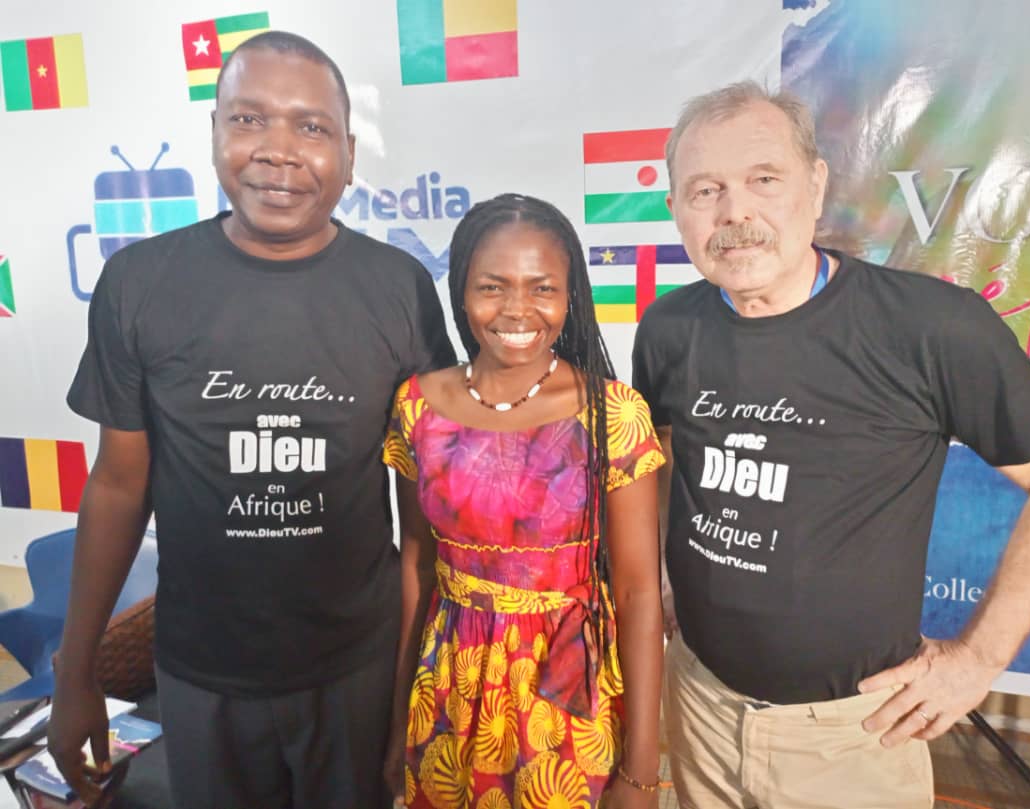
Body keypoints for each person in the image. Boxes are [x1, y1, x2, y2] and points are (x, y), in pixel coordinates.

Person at [632, 80, 1030, 809]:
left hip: (854, 736)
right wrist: (662, 570)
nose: (734, 212)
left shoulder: (930, 327)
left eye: (763, 180)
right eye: (705, 189)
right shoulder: (668, 328)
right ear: (676, 208)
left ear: (815, 187)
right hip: (700, 706)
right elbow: (665, 456)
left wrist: (977, 660)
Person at [49, 31, 455, 809]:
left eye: (311, 126)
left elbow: (421, 524)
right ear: (214, 134)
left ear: (349, 151)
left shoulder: (400, 289)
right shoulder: (139, 283)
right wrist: (77, 670)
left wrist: (416, 681)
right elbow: (118, 486)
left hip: (357, 670)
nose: (278, 150)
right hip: (200, 672)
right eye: (248, 119)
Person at [381, 193, 666, 808]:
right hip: (448, 688)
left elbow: (639, 593)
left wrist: (643, 770)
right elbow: (417, 566)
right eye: (492, 286)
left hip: (564, 693)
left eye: (543, 289)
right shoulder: (417, 406)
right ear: (461, 292)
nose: (517, 309)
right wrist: (398, 718)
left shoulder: (612, 414)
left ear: (570, 297)